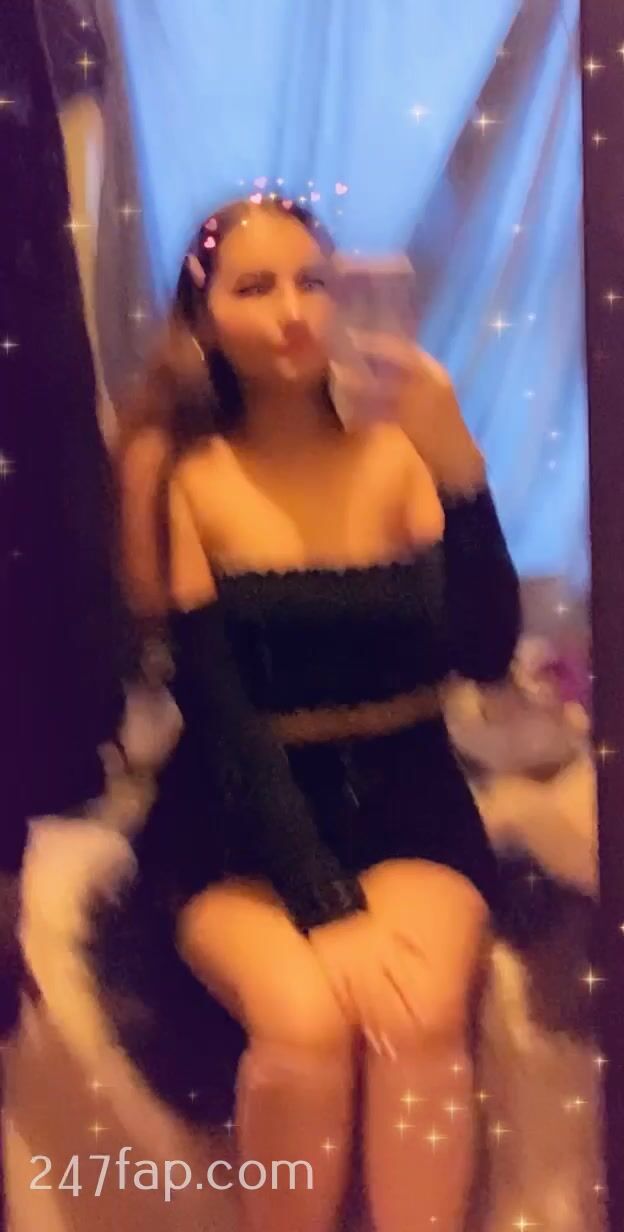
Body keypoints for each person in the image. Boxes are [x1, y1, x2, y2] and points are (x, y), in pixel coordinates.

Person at [89, 194, 520, 1232]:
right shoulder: (177, 469)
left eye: (312, 282)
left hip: (411, 797)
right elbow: (220, 711)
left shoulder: (399, 444)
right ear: (202, 317)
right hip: (237, 818)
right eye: (255, 286)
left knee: (417, 1019)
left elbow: (485, 650)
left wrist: (462, 471)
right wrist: (325, 900)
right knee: (306, 1023)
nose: (292, 311)